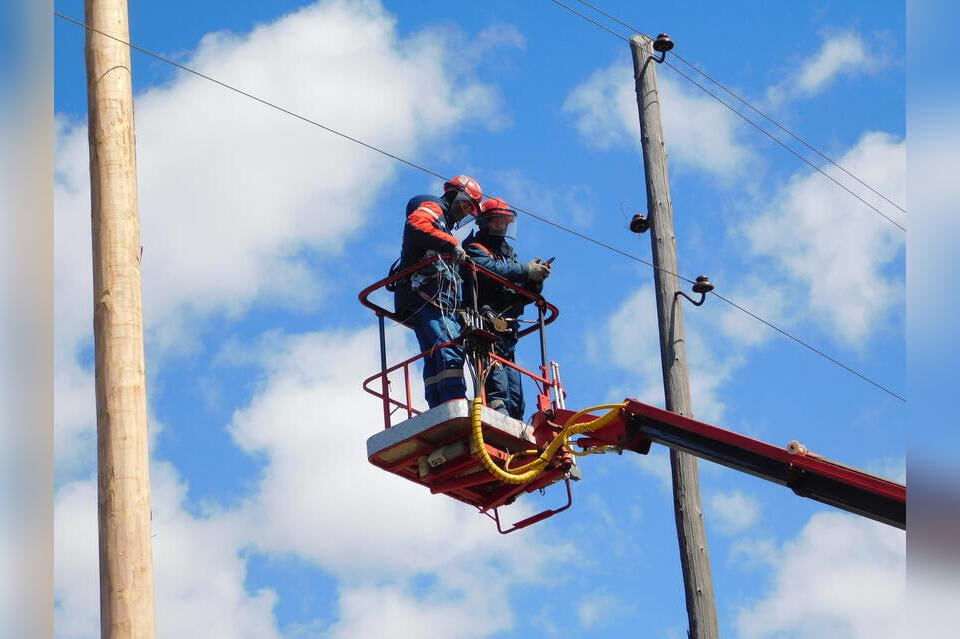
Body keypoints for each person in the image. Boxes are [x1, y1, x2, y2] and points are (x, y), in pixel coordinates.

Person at [394, 175, 484, 409]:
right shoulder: (433, 206)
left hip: (432, 298)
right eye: (466, 205)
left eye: (470, 210)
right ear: (455, 194)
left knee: (435, 354)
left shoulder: (443, 220)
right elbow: (417, 224)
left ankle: (438, 404)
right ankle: (453, 401)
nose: (465, 213)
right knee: (449, 348)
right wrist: (451, 243)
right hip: (427, 297)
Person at [462, 197, 551, 420]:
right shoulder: (474, 248)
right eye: (496, 221)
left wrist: (534, 280)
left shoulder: (507, 253)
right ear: (484, 222)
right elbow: (488, 268)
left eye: (505, 222)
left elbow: (519, 293)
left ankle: (515, 419)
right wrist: (524, 270)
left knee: (514, 386)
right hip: (485, 323)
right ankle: (496, 413)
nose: (501, 226)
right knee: (496, 379)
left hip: (507, 331)